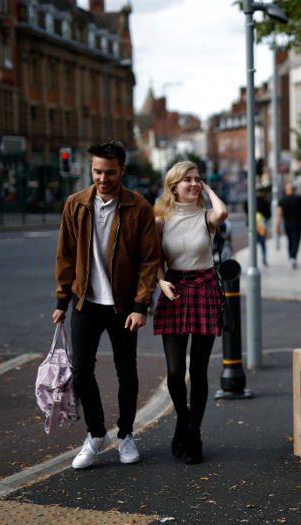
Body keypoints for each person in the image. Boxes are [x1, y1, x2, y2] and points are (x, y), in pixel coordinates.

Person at [53, 139, 160, 469]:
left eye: (110, 172)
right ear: (91, 169)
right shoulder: (75, 204)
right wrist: (61, 299)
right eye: (98, 171)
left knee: (126, 369)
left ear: (122, 170)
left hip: (124, 305)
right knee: (82, 369)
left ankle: (125, 434)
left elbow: (148, 260)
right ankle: (96, 433)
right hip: (85, 302)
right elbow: (66, 254)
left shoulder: (138, 208)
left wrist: (142, 306)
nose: (103, 178)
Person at [153, 160, 228, 464]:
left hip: (204, 289)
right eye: (188, 180)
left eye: (197, 179)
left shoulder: (207, 216)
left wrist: (207, 188)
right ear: (173, 187)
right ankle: (182, 421)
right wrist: (160, 280)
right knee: (174, 372)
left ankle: (194, 434)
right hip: (174, 290)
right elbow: (156, 257)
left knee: (198, 370)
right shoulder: (160, 221)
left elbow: (221, 212)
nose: (194, 184)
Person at [276, 183, 301, 269]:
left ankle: (291, 258)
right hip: (297, 224)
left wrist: (277, 227)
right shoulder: (299, 199)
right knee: (296, 241)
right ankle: (293, 258)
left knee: (290, 241)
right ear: (294, 190)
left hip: (287, 224)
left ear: (286, 190)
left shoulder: (282, 200)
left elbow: (279, 214)